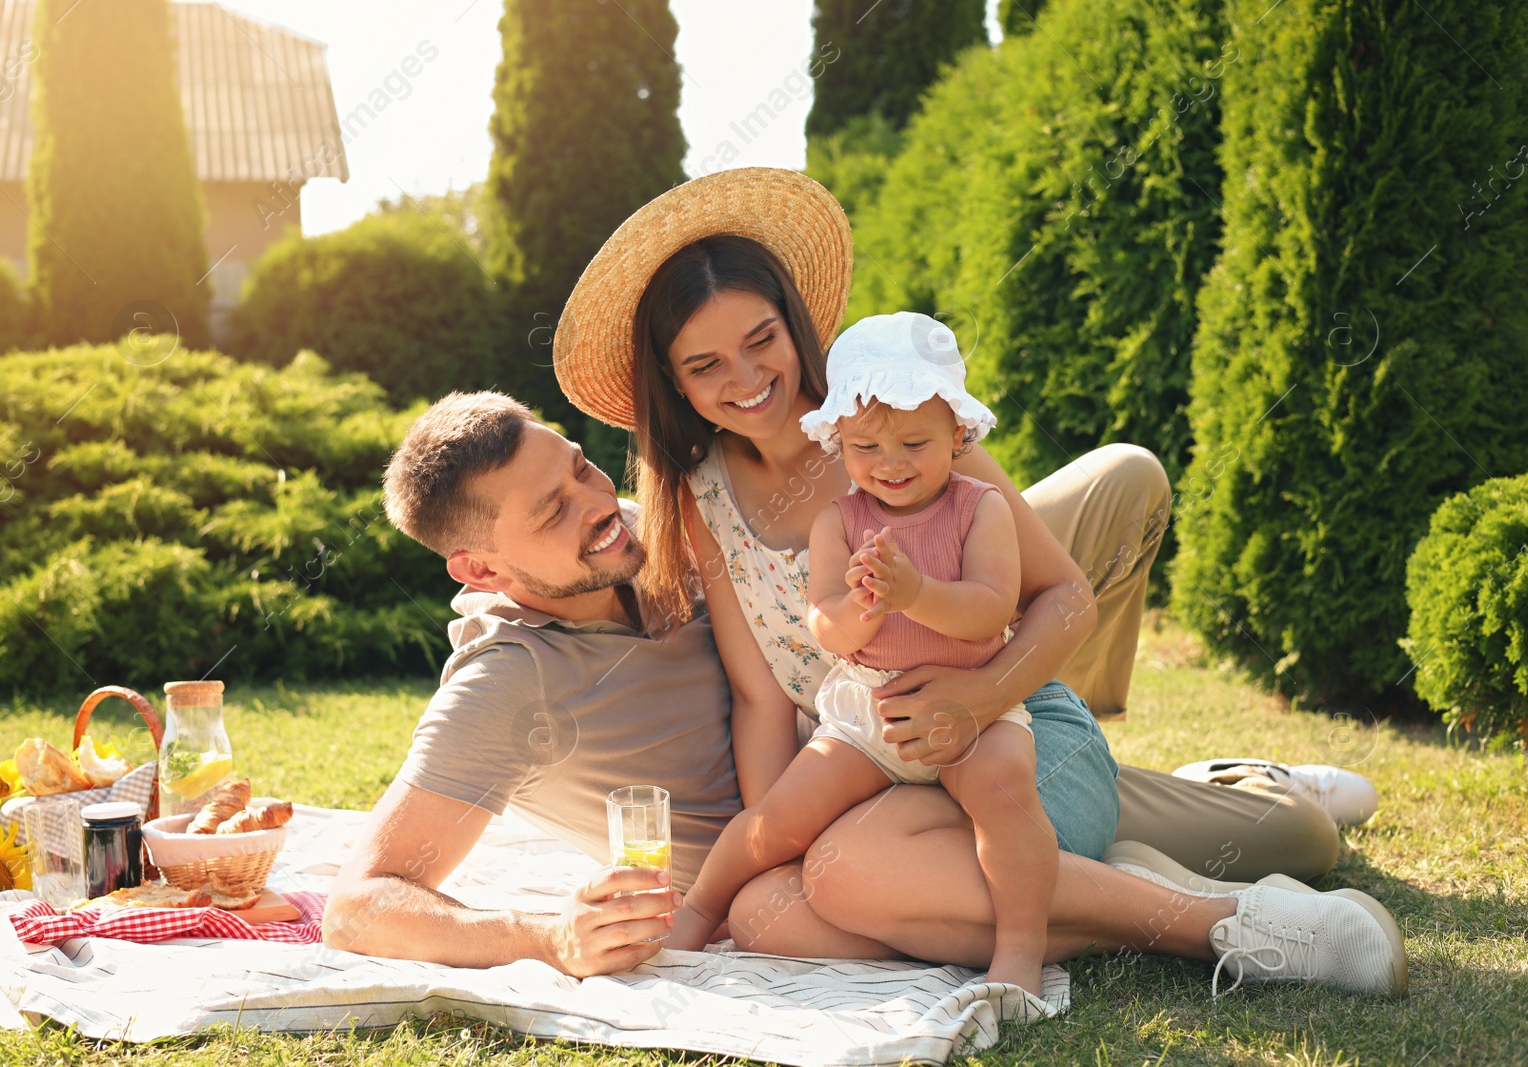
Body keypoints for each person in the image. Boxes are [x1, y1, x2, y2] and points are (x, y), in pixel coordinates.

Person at [546, 165, 1403, 995]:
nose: (744, 379)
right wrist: (777, 851)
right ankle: (1103, 884)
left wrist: (978, 696)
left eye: (759, 339)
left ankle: (1227, 920)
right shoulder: (702, 501)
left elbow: (1064, 595)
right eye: (704, 366)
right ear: (673, 380)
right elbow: (763, 700)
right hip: (873, 763)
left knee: (1303, 833)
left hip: (1002, 733)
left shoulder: (896, 432)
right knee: (777, 911)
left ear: (794, 322)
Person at [323, 389, 1407, 1003]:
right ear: (479, 569)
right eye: (550, 513)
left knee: (1122, 475)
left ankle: (1103, 763)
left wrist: (987, 665)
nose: (598, 506)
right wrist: (542, 930)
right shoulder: (507, 683)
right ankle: (1200, 868)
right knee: (1298, 835)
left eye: (581, 470)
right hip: (867, 801)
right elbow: (362, 896)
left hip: (932, 707)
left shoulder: (675, 525)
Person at [666, 311, 1067, 999]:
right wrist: (862, 609)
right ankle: (699, 909)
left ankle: (1019, 950)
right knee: (779, 818)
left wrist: (915, 592)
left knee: (1007, 798)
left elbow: (991, 609)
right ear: (838, 442)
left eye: (915, 441)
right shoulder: (841, 522)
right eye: (864, 447)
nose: (892, 464)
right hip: (864, 713)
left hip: (972, 710)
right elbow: (827, 624)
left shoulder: (980, 508)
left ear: (958, 433)